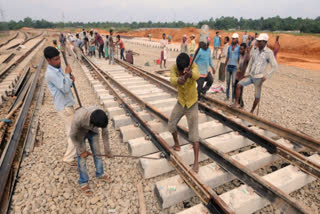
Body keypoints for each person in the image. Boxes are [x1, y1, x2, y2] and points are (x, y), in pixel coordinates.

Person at [43, 46, 77, 166]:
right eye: (56, 59)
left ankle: (72, 154)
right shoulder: (50, 73)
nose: (59, 61)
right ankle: (69, 157)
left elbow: (66, 84)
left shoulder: (57, 69)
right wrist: (67, 75)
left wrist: (71, 79)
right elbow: (64, 88)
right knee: (74, 133)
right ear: (48, 60)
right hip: (64, 106)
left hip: (66, 103)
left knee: (71, 131)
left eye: (59, 59)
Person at [70, 106, 113, 195]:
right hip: (80, 133)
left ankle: (100, 173)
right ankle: (83, 181)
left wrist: (108, 151)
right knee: (82, 159)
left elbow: (105, 134)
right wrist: (81, 151)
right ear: (93, 123)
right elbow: (72, 135)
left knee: (98, 154)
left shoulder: (102, 117)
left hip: (93, 132)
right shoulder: (79, 117)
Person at [169, 53, 200, 172]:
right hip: (181, 102)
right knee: (171, 124)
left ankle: (196, 162)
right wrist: (179, 79)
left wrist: (190, 73)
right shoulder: (174, 68)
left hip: (192, 104)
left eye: (183, 71)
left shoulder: (193, 67)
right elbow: (172, 80)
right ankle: (177, 144)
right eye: (179, 71)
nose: (181, 72)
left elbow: (197, 75)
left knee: (194, 134)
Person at [233, 33, 278, 113]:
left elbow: (274, 66)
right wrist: (246, 73)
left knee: (257, 96)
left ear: (265, 42)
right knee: (239, 85)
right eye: (258, 41)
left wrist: (266, 76)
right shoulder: (255, 50)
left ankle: (252, 111)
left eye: (260, 41)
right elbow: (250, 62)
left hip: (259, 77)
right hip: (251, 76)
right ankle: (236, 103)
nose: (258, 42)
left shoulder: (269, 52)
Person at [224, 33, 240, 101]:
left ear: (237, 39)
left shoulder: (239, 48)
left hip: (234, 67)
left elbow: (239, 58)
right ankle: (227, 96)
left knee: (233, 83)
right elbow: (227, 57)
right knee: (227, 82)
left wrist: (239, 68)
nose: (233, 40)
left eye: (234, 39)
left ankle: (233, 98)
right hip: (228, 67)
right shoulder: (229, 47)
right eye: (232, 39)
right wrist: (224, 66)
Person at [234, 43, 249, 108]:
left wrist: (249, 52)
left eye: (242, 49)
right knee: (236, 89)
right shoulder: (240, 55)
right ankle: (240, 103)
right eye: (240, 49)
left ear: (245, 49)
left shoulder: (246, 56)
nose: (240, 50)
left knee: (240, 90)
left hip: (242, 77)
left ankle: (240, 104)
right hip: (238, 75)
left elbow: (249, 62)